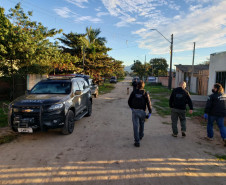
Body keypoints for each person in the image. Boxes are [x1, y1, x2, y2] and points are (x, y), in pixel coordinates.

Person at [128, 80, 152, 147]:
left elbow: (129, 101)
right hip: (142, 112)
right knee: (142, 124)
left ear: (137, 85)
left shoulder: (134, 92)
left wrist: (131, 108)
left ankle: (137, 141)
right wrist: (150, 112)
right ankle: (141, 135)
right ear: (143, 86)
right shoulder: (145, 93)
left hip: (135, 111)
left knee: (135, 126)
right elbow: (149, 103)